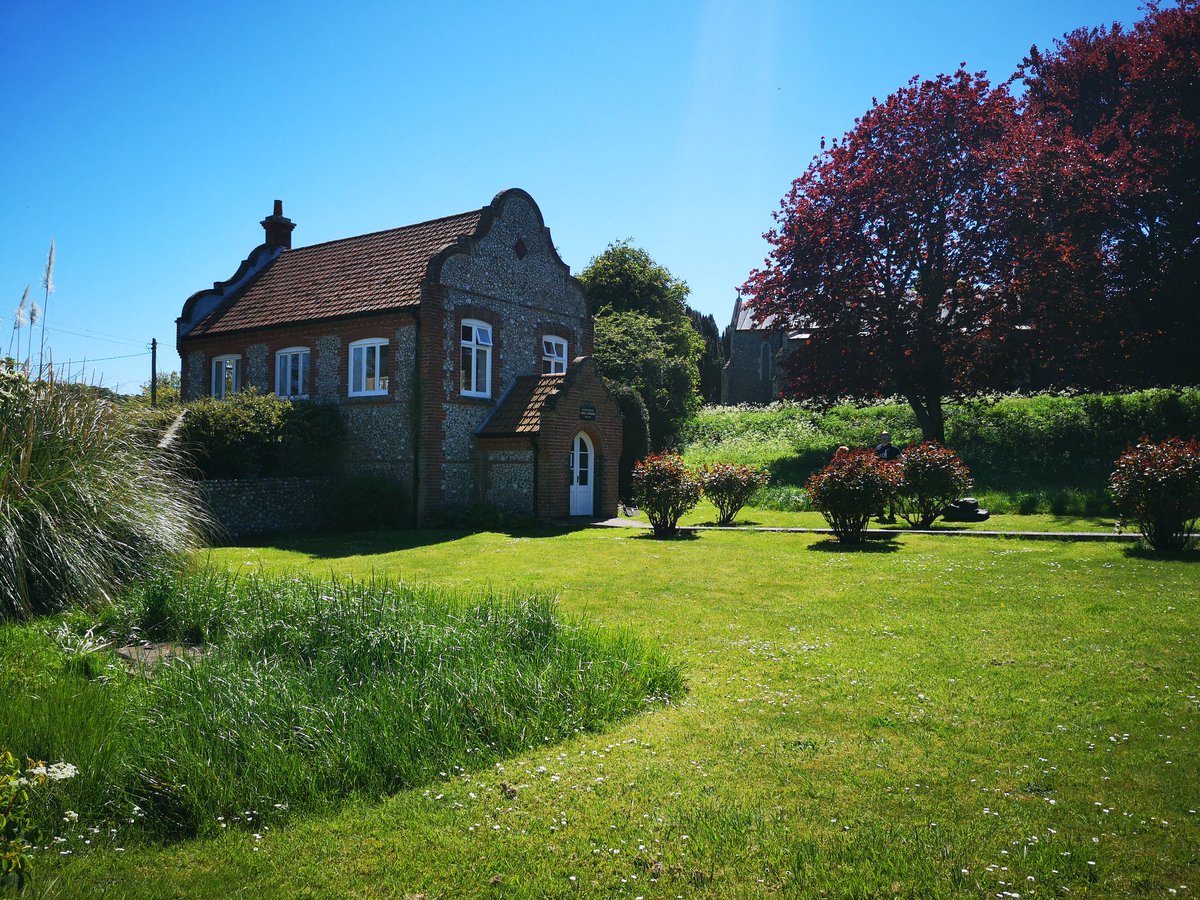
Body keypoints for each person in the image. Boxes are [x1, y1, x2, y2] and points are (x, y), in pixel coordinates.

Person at [874, 431, 901, 522]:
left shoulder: (894, 448)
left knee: (891, 494)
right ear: (880, 437)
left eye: (886, 436)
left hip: (891, 474)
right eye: (882, 436)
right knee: (879, 493)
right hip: (880, 473)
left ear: (889, 438)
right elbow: (874, 459)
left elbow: (900, 458)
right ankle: (880, 512)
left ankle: (892, 514)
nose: (884, 438)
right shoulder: (878, 448)